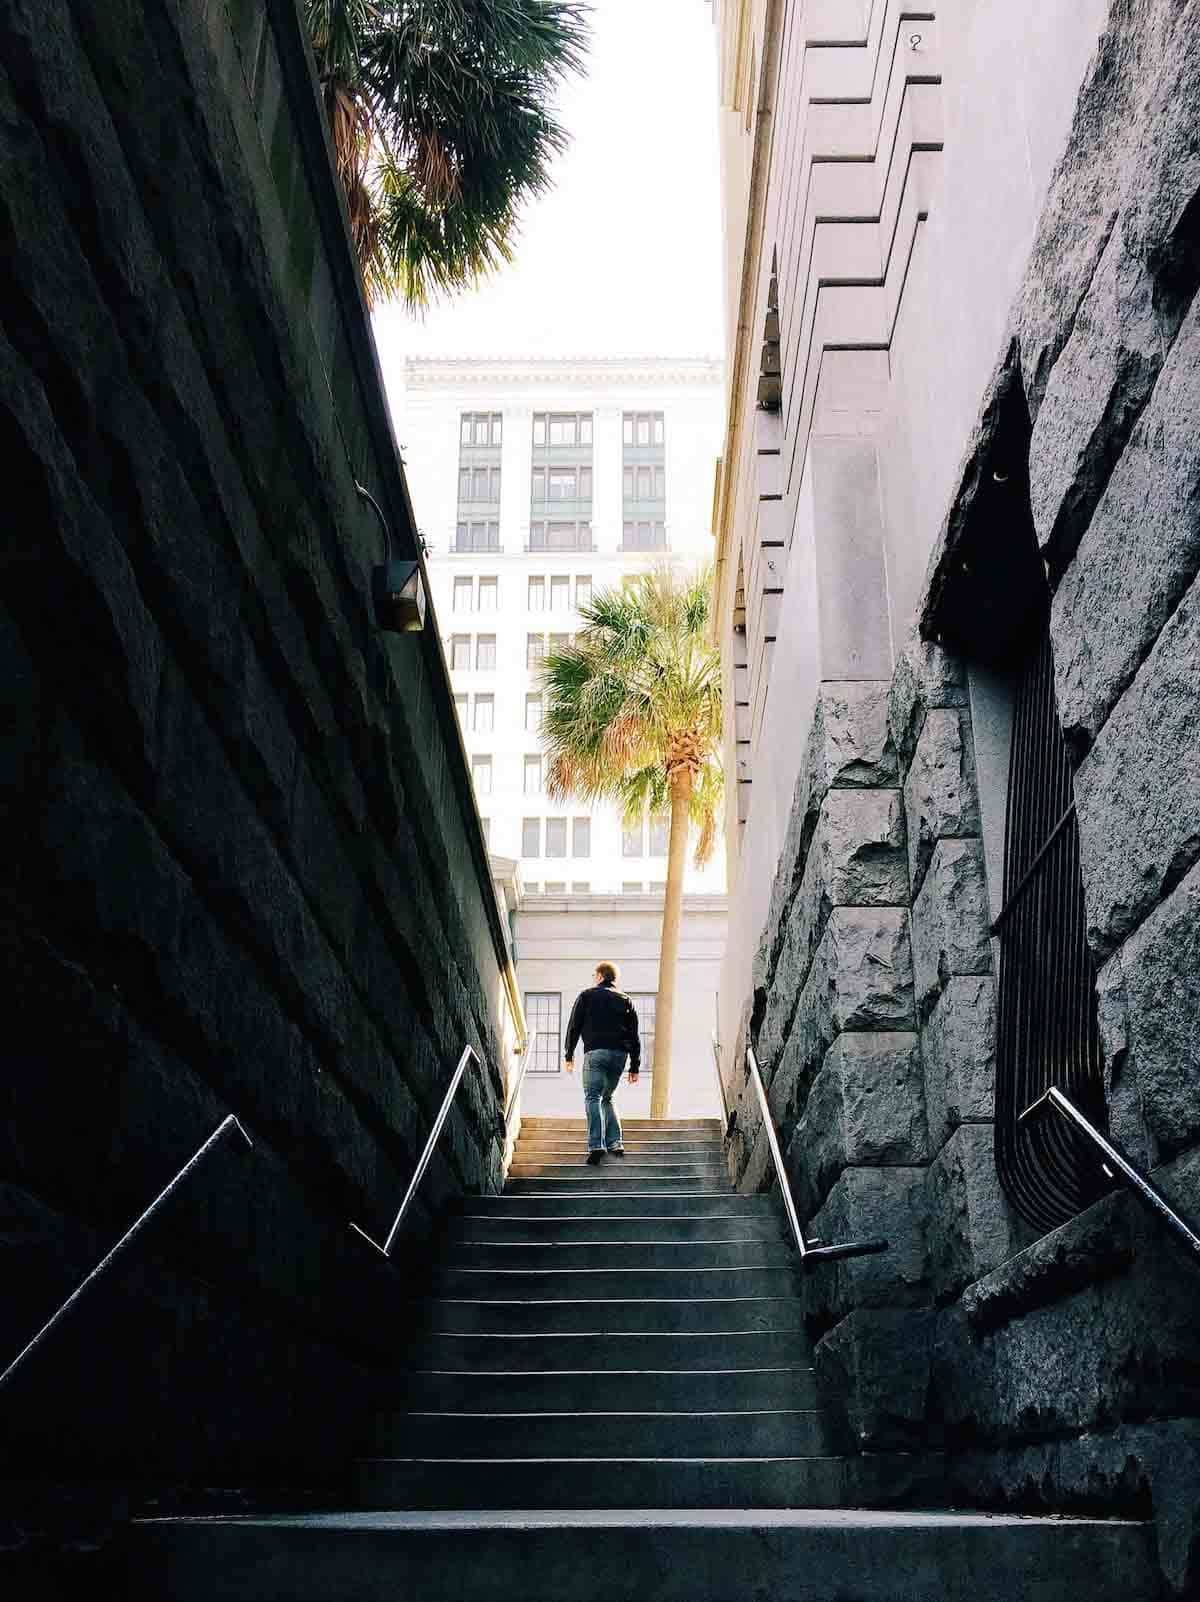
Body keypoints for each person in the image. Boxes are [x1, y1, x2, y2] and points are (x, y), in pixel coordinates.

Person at [563, 961, 641, 1165]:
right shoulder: (626, 1000)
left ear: (600, 976)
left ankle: (596, 1145)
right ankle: (615, 1143)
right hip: (619, 1056)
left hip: (596, 1053)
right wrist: (634, 1066)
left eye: (594, 975)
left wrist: (569, 1054)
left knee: (593, 1097)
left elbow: (574, 1026)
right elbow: (634, 1036)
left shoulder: (587, 996)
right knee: (608, 1097)